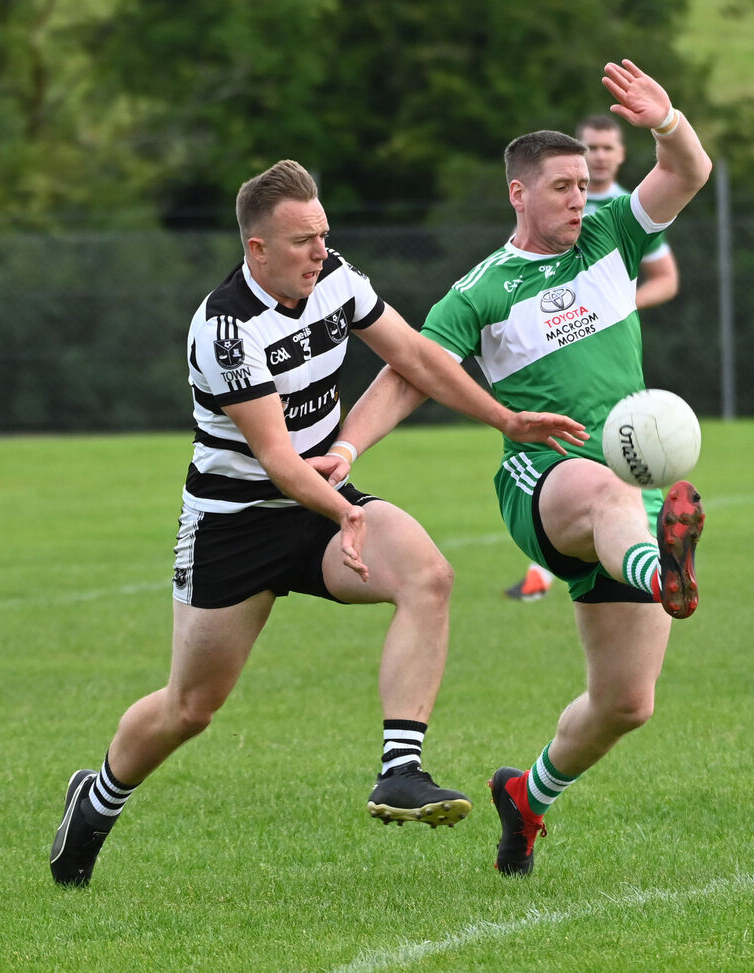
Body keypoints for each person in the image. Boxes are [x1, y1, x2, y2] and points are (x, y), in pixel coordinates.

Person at [49, 160, 586, 887]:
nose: (319, 251)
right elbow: (275, 458)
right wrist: (343, 511)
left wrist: (505, 416)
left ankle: (401, 770)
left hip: (323, 504)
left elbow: (415, 358)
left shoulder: (335, 277)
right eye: (302, 240)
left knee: (429, 574)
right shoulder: (226, 329)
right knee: (191, 707)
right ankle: (98, 797)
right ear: (257, 249)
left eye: (324, 235)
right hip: (236, 525)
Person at [318, 60, 710, 877]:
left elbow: (688, 171)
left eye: (583, 183)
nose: (580, 197)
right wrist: (349, 449)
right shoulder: (482, 291)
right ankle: (660, 568)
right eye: (563, 186)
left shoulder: (614, 235)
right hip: (544, 481)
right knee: (602, 487)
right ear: (518, 194)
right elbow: (408, 372)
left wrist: (666, 121)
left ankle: (527, 797)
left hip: (622, 502)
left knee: (624, 704)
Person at [503, 111, 680, 602]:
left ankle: (639, 562)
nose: (577, 195)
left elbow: (667, 276)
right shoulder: (547, 209)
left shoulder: (626, 210)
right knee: (584, 482)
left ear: (622, 154)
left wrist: (619, 303)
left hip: (614, 352)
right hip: (549, 447)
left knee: (623, 685)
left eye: (606, 150)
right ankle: (562, 567)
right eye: (591, 148)